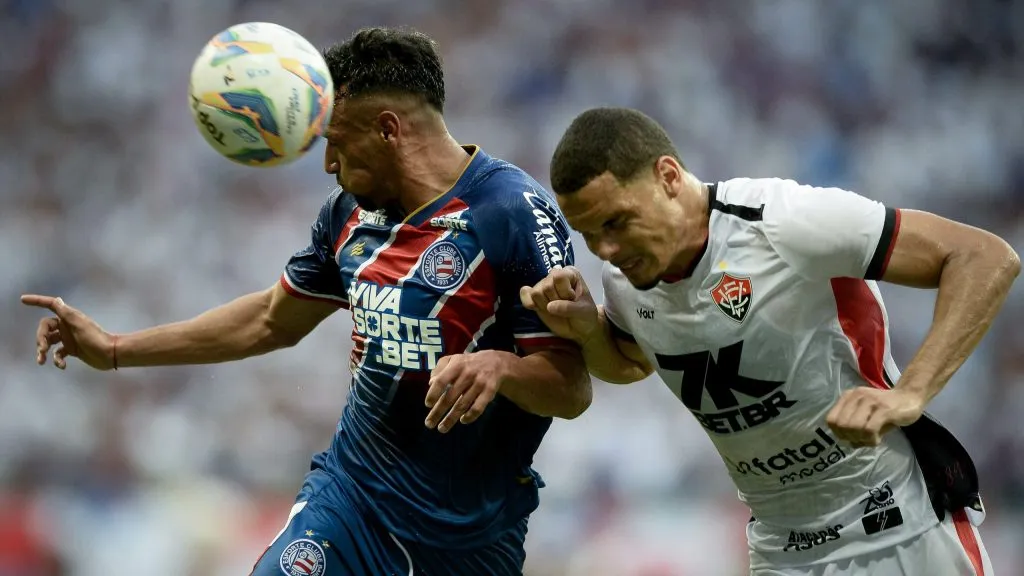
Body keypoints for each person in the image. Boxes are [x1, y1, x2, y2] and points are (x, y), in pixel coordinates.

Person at [22, 27, 592, 576]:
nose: (328, 165)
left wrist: (501, 365)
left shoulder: (511, 212)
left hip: (474, 538)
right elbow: (271, 319)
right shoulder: (348, 214)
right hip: (352, 503)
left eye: (336, 143)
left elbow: (571, 387)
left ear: (389, 128)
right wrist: (117, 347)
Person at [520, 107, 1020, 575]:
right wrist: (589, 331)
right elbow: (630, 364)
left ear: (668, 177)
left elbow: (983, 257)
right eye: (589, 234)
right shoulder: (625, 280)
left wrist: (910, 392)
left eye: (616, 222)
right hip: (783, 550)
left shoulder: (785, 222)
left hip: (901, 529)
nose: (606, 249)